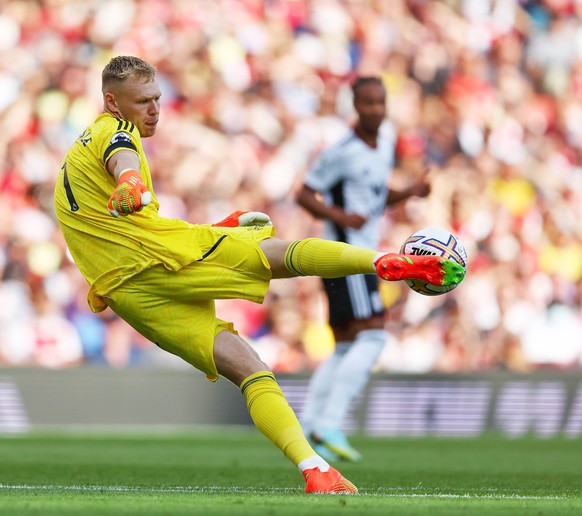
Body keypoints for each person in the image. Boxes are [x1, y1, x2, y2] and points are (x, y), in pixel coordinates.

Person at [53, 57, 463, 494]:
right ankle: (383, 262)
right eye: (143, 101)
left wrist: (213, 230)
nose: (155, 109)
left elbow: (119, 222)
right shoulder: (114, 131)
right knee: (273, 253)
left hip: (126, 293)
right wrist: (132, 182)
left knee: (247, 367)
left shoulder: (78, 152)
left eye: (157, 98)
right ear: (112, 102)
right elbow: (124, 157)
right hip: (154, 260)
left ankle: (314, 470)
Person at [296, 76, 434, 462]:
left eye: (380, 102)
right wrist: (342, 217)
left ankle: (310, 425)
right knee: (373, 336)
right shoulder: (341, 150)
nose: (375, 109)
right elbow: (305, 193)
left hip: (362, 253)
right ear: (354, 106)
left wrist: (409, 193)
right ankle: (330, 423)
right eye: (367, 103)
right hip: (346, 255)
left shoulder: (385, 141)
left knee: (344, 345)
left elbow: (375, 193)